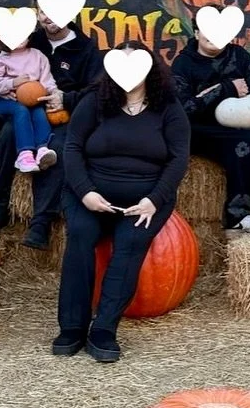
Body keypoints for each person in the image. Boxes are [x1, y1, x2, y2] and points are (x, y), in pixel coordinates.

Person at [56, 56, 191, 363]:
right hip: (89, 194)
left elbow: (178, 159)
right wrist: (86, 192)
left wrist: (153, 200)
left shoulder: (168, 108)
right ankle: (72, 326)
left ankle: (104, 328)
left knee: (130, 243)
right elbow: (72, 147)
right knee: (81, 234)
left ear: (149, 71)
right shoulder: (94, 102)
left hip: (144, 200)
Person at [0, 5, 99, 246]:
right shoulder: (29, 39)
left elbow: (95, 91)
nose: (51, 18)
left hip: (63, 113)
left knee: (56, 146)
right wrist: (12, 91)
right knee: (8, 135)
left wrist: (65, 99)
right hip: (24, 109)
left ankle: (41, 224)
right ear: (37, 15)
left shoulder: (86, 48)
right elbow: (2, 72)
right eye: (44, 11)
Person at [170, 28, 250, 231]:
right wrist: (225, 89)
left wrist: (248, 98)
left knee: (249, 141)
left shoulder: (238, 55)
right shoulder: (183, 63)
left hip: (231, 128)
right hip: (197, 129)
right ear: (197, 33)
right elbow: (184, 108)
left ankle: (239, 216)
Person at [0, 35, 58, 173]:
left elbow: (46, 80)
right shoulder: (1, 60)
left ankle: (42, 149)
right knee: (21, 110)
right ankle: (24, 154)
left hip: (33, 99)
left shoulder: (38, 56)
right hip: (7, 101)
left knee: (38, 112)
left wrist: (53, 92)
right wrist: (12, 83)